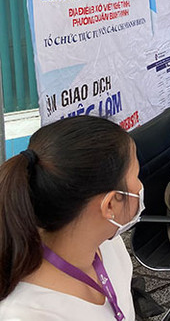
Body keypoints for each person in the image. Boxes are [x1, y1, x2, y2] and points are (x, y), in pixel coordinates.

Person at [0, 117, 140, 320]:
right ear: (110, 204)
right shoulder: (26, 314)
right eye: (136, 176)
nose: (141, 187)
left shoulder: (108, 244)